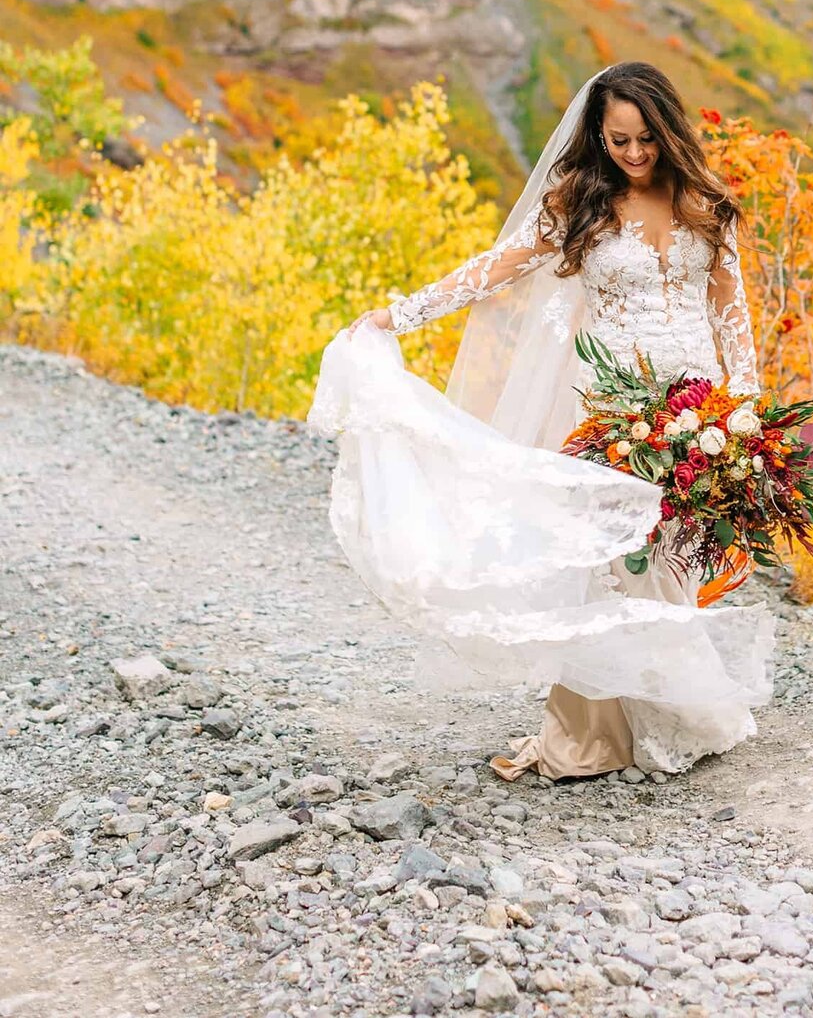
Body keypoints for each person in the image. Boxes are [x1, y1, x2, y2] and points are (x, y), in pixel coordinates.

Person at [308, 61, 774, 779]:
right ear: (598, 136)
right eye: (619, 141)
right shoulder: (580, 201)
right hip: (613, 408)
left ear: (670, 132)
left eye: (648, 138)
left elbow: (730, 312)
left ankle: (676, 714)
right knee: (612, 562)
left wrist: (744, 408)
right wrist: (396, 315)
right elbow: (495, 267)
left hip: (699, 409)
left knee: (670, 561)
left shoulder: (706, 203)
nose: (635, 154)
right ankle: (589, 740)